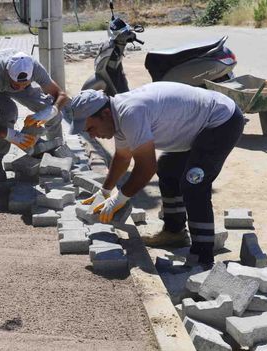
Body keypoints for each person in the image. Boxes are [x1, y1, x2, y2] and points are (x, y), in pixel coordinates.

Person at [68, 82, 245, 267]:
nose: (93, 136)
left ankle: (202, 257)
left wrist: (119, 198)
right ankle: (174, 233)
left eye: (91, 128)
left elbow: (146, 167)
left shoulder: (130, 113)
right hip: (197, 127)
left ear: (104, 114)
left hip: (221, 121)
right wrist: (105, 191)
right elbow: (123, 157)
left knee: (194, 184)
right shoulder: (116, 118)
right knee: (168, 168)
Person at [0, 49, 70, 183]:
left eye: (25, 84)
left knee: (49, 108)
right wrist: (10, 135)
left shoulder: (33, 67)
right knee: (9, 112)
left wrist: (51, 111)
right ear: (7, 73)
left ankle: (56, 151)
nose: (20, 88)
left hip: (10, 80)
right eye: (16, 85)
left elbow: (61, 95)